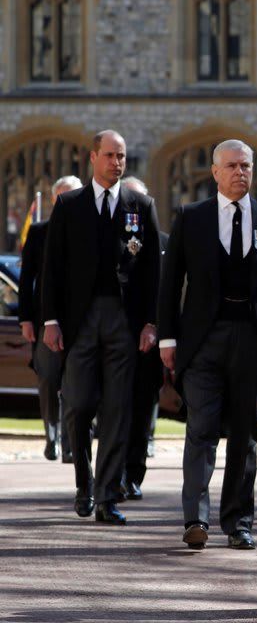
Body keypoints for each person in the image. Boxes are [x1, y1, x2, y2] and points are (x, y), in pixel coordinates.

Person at [158, 139, 257, 551]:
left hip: (253, 340)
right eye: (232, 166)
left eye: (246, 166)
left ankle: (239, 521)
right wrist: (168, 337)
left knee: (246, 434)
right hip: (203, 340)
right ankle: (196, 518)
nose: (240, 172)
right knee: (201, 428)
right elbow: (170, 285)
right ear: (215, 171)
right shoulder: (192, 217)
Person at [41, 131, 161, 525]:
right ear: (92, 158)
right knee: (76, 403)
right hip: (80, 320)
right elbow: (52, 267)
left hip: (123, 321)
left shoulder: (140, 205)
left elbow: (151, 273)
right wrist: (51, 320)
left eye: (121, 156)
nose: (116, 162)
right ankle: (83, 483)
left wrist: (150, 323)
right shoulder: (69, 204)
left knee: (117, 409)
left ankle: (108, 496)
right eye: (109, 155)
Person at [18, 175, 83, 462]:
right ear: (56, 199)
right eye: (64, 196)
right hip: (45, 320)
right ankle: (52, 436)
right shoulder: (40, 232)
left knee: (74, 382)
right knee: (48, 379)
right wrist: (26, 319)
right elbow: (27, 279)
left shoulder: (88, 232)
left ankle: (70, 442)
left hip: (79, 322)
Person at [118, 175, 168, 500]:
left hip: (146, 339)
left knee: (140, 408)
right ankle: (111, 473)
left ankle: (133, 473)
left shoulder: (164, 242)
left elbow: (168, 290)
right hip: (113, 333)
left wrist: (158, 327)